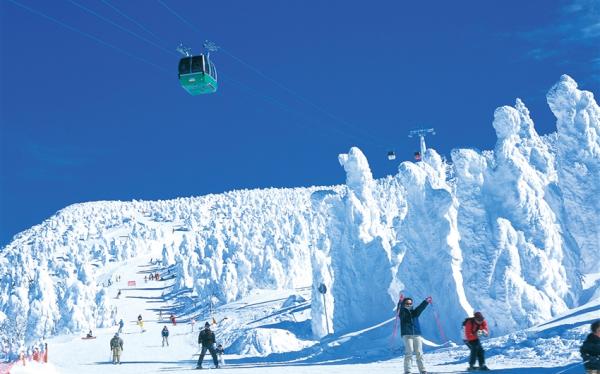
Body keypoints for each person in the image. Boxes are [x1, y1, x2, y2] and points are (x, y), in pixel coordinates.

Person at [398, 296, 432, 374]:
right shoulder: (402, 313)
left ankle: (423, 370)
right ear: (404, 304)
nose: (409, 304)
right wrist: (400, 302)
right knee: (409, 352)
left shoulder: (415, 312)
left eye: (410, 303)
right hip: (407, 335)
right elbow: (399, 310)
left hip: (416, 335)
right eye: (407, 303)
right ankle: (408, 371)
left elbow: (420, 308)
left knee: (419, 352)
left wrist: (426, 301)